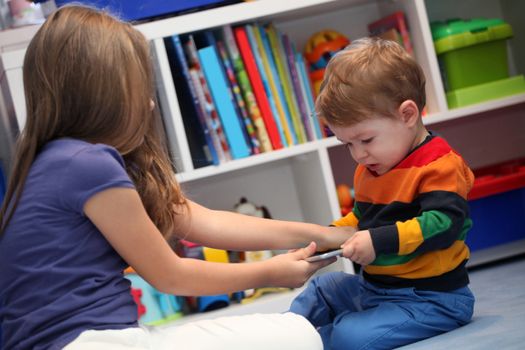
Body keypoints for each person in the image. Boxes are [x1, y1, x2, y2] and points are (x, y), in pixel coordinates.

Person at [0, 5, 352, 350]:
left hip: (100, 337)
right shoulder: (86, 164)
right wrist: (269, 272)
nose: (151, 105)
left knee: (297, 332)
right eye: (140, 89)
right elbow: (169, 275)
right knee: (301, 336)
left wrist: (323, 234)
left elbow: (207, 222)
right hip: (90, 343)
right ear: (101, 94)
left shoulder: (59, 161)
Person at [290, 37, 476, 350]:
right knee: (321, 289)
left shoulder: (440, 165)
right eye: (347, 144)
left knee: (350, 336)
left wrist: (379, 241)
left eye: (366, 139)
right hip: (375, 288)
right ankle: (285, 335)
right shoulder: (372, 166)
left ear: (407, 115)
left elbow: (444, 224)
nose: (358, 155)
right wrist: (328, 237)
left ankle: (317, 341)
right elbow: (363, 217)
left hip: (432, 300)